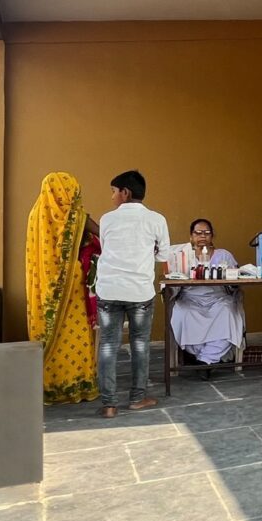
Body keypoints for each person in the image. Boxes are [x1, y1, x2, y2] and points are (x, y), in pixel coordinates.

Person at [95, 170, 171, 418]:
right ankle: (137, 398)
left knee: (108, 345)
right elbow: (163, 255)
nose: (113, 197)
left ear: (125, 192)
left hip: (108, 290)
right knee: (139, 344)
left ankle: (108, 404)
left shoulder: (107, 220)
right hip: (139, 291)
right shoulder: (156, 219)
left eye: (114, 191)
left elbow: (107, 250)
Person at [25, 172, 101, 405]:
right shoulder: (76, 217)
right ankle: (77, 383)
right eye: (74, 192)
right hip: (74, 290)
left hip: (44, 291)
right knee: (76, 338)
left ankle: (50, 385)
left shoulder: (36, 215)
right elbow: (101, 233)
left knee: (58, 339)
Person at [169, 218, 245, 365]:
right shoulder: (182, 257)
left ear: (212, 236)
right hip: (190, 298)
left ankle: (205, 360)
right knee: (182, 313)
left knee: (228, 312)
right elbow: (173, 282)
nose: (202, 236)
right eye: (198, 233)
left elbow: (236, 279)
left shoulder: (224, 255)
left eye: (207, 233)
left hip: (218, 298)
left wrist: (233, 279)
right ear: (191, 236)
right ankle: (207, 357)